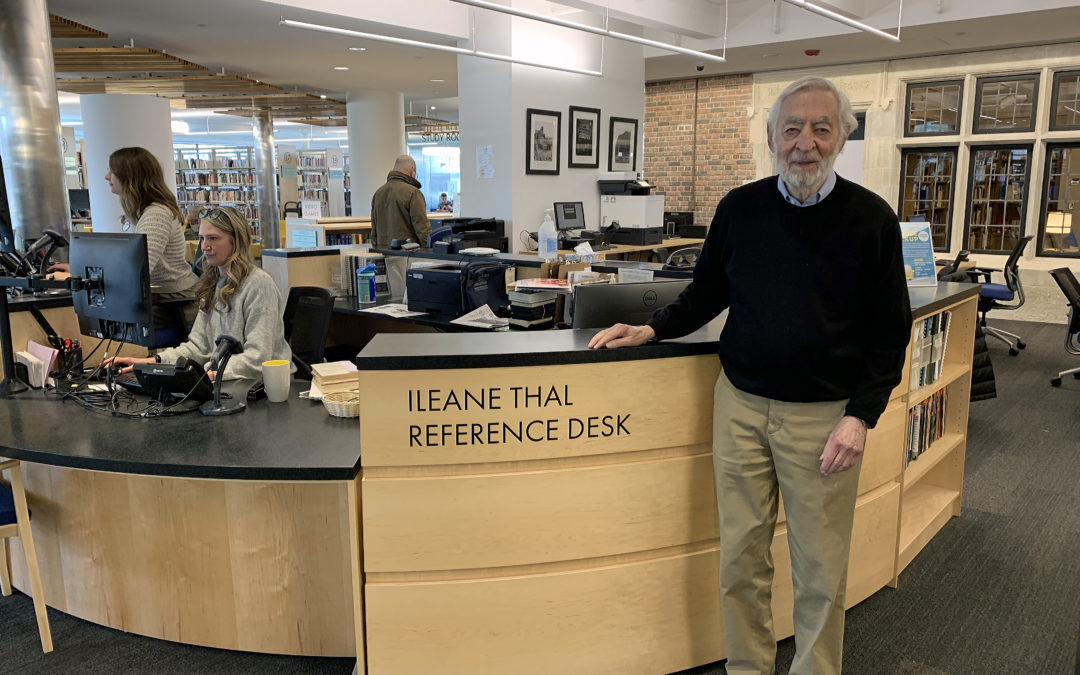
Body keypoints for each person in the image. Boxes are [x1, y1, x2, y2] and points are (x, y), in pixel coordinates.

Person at [588, 76, 912, 674]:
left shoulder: (871, 221)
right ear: (770, 137)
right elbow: (707, 291)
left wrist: (860, 416)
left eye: (821, 128)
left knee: (819, 568)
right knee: (741, 559)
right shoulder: (740, 209)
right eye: (791, 129)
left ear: (843, 136)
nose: (804, 143)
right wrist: (652, 329)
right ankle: (748, 668)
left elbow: (891, 332)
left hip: (823, 420)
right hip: (738, 406)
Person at [107, 206, 291, 382]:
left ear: (236, 241)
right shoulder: (213, 283)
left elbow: (257, 359)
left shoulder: (259, 284)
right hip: (221, 380)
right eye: (202, 238)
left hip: (256, 386)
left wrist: (203, 376)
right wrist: (151, 362)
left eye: (213, 238)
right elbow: (198, 347)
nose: (205, 246)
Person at [52, 147, 200, 328]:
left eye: (111, 171)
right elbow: (127, 262)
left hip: (174, 300)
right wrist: (77, 270)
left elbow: (136, 270)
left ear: (129, 176)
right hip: (161, 295)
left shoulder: (156, 214)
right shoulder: (145, 212)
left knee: (93, 319)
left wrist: (77, 277)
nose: (107, 177)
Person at [370, 155, 430, 247]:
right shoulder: (413, 193)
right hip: (407, 253)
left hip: (383, 252)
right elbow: (422, 229)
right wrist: (430, 248)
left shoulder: (378, 193)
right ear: (412, 170)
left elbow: (374, 231)